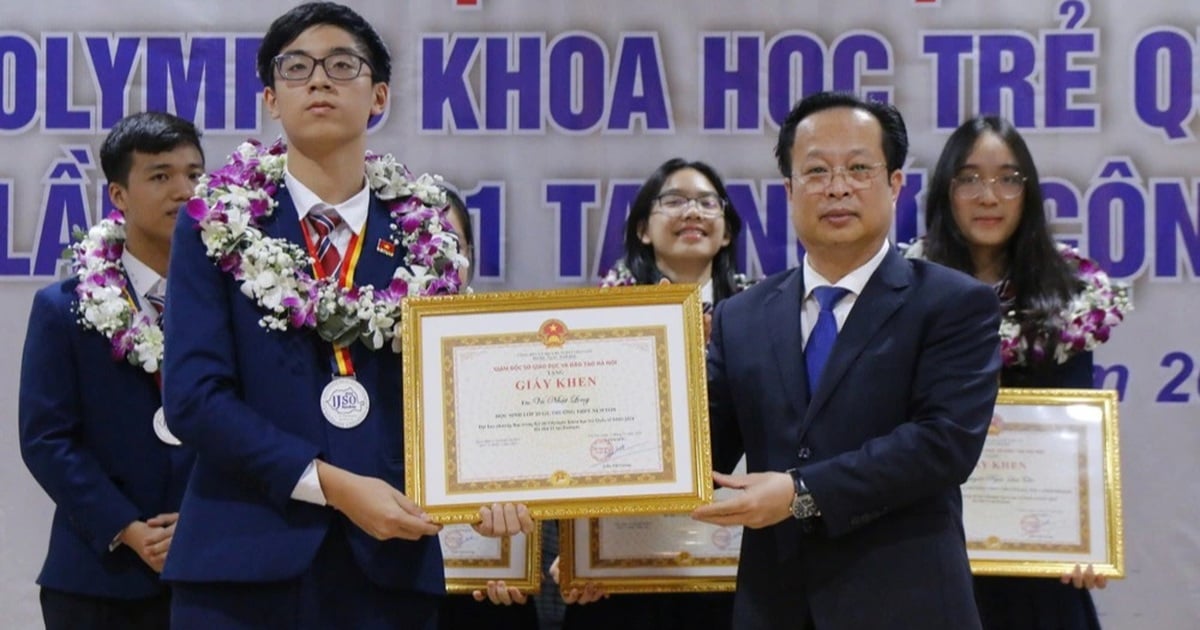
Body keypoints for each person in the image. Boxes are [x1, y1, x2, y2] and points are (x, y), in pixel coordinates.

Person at [161, 4, 528, 629]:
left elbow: (454, 395)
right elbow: (194, 399)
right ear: (272, 98)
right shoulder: (215, 225)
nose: (319, 80)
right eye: (296, 67)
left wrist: (493, 479)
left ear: (378, 94)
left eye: (342, 65)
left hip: (390, 564)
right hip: (242, 560)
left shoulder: (426, 235)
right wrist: (331, 484)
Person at [691, 91, 1003, 630]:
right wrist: (548, 487)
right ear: (789, 191)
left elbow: (942, 444)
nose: (837, 187)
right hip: (776, 607)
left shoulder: (954, 303)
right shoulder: (741, 317)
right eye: (816, 171)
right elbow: (696, 448)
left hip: (909, 606)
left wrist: (801, 494)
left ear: (895, 184)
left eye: (859, 168)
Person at [913, 115, 1129, 630]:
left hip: (1039, 559)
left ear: (1027, 192)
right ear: (947, 191)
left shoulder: (1068, 293)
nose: (989, 195)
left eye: (1008, 178)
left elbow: (1073, 426)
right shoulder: (909, 289)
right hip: (930, 547)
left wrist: (1086, 533)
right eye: (969, 178)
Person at [18, 111, 204, 630]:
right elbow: (47, 439)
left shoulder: (238, 302)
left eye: (194, 174)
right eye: (161, 176)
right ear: (118, 195)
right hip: (98, 576)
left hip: (212, 566)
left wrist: (204, 519)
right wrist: (126, 527)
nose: (184, 191)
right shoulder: (64, 307)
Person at [555, 158, 748, 629]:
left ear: (726, 233)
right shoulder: (594, 324)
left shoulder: (762, 321)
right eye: (675, 201)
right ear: (643, 229)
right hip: (619, 567)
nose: (693, 212)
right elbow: (568, 442)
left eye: (707, 202)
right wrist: (577, 545)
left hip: (733, 565)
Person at [437, 187, 542, 630]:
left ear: (470, 254)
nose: (431, 257)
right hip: (377, 587)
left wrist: (516, 558)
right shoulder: (352, 350)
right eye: (414, 241)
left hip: (487, 595)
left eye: (446, 244)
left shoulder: (512, 348)